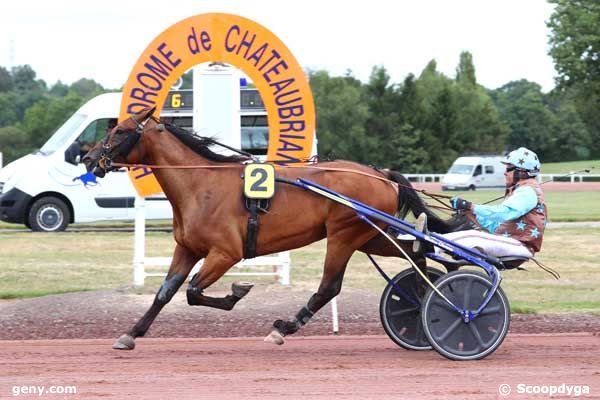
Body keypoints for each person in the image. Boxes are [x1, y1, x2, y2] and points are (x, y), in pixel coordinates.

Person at [414, 147, 547, 258]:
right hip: (511, 242)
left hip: (520, 245)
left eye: (508, 169)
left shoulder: (528, 191)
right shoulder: (519, 191)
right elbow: (494, 226)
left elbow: (503, 213)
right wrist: (469, 213)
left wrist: (471, 206)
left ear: (521, 171)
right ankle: (422, 238)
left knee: (473, 235)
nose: (505, 173)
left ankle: (430, 243)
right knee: (472, 233)